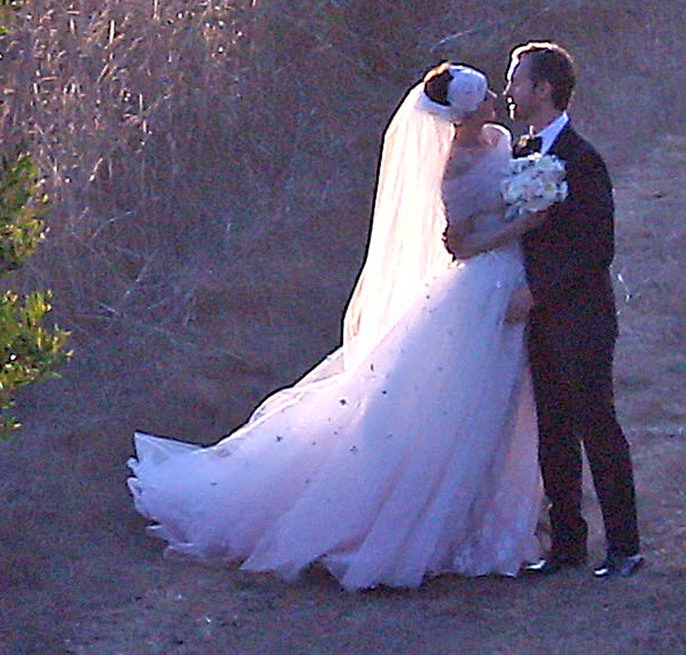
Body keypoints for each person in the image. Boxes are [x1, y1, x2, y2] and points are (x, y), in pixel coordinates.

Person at [127, 63, 546, 591]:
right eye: (484, 97)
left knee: (502, 401)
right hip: (481, 285)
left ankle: (497, 512)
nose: (494, 101)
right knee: (464, 404)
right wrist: (521, 225)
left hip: (511, 282)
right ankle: (436, 522)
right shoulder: (456, 165)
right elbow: (459, 245)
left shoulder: (501, 138)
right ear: (463, 114)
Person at [505, 42, 642, 578]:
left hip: (581, 318)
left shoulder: (583, 161)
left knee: (596, 426)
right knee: (553, 433)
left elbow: (595, 247)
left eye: (517, 81)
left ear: (543, 90)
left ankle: (625, 545)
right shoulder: (519, 154)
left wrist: (538, 291)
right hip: (538, 324)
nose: (509, 91)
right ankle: (567, 544)